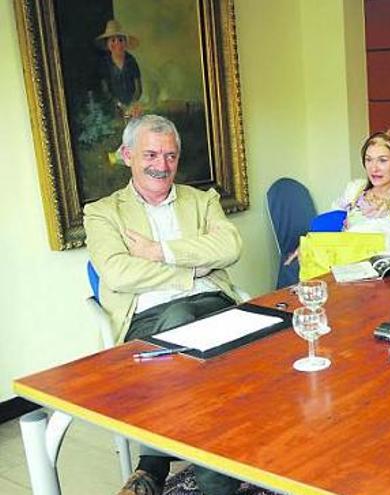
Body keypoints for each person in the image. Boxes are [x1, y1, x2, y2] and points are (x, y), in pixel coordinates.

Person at [84, 115, 243, 495]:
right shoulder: (103, 212)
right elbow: (119, 273)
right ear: (127, 155)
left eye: (171, 156)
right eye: (151, 154)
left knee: (272, 335)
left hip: (216, 305)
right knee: (182, 323)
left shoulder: (202, 200)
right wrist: (191, 269)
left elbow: (231, 247)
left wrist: (159, 252)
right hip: (148, 318)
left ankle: (151, 466)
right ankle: (215, 484)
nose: (162, 165)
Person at [331, 129, 390, 249]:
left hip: (387, 262)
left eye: (382, 160)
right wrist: (311, 245)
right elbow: (331, 223)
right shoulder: (355, 188)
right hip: (348, 257)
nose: (373, 168)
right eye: (369, 159)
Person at [95, 19, 143, 118]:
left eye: (120, 40)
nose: (117, 43)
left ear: (125, 43)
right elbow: (105, 90)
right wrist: (118, 104)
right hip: (113, 108)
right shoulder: (104, 64)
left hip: (132, 108)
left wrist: (132, 104)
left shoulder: (131, 61)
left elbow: (138, 87)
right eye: (113, 40)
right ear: (107, 44)